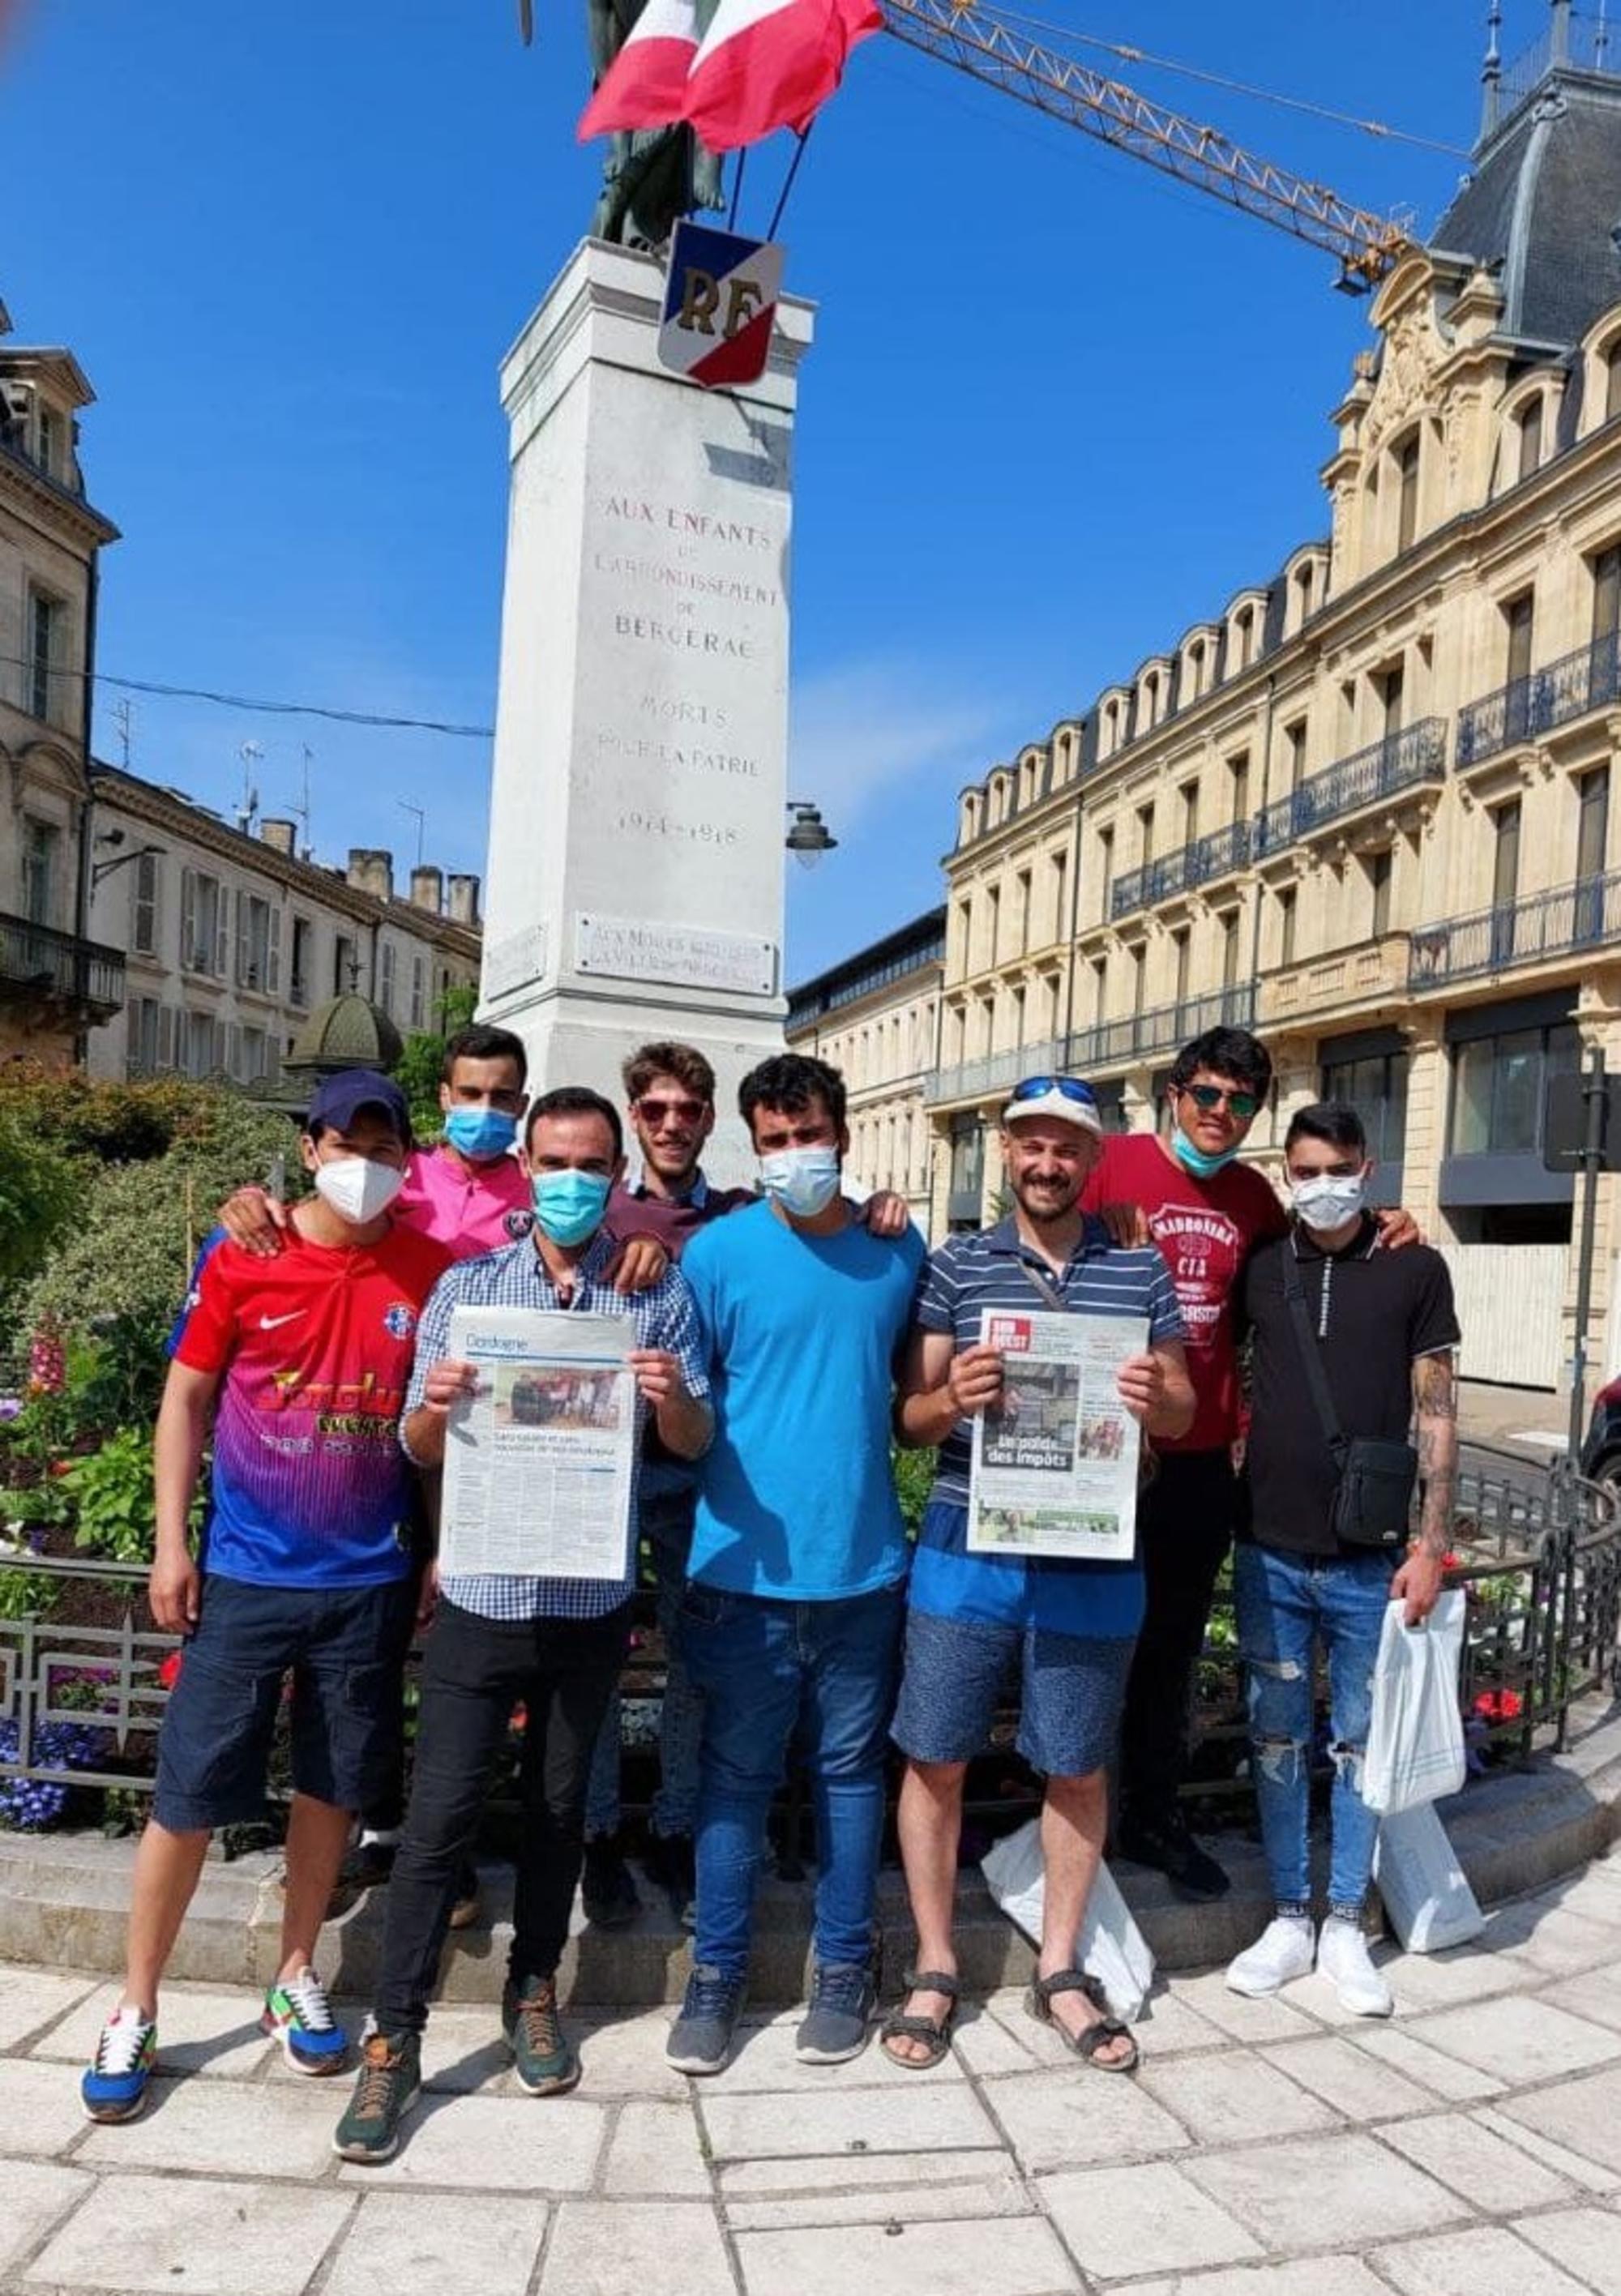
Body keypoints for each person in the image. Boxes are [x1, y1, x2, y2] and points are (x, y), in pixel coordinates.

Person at [332, 1087, 712, 2165]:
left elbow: (690, 1438)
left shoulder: (652, 1294)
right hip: (485, 1598)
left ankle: (533, 1985)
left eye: (592, 1163)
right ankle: (392, 2040)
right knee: (441, 1816)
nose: (572, 1179)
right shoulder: (469, 1289)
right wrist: (435, 1407)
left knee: (557, 1813)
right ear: (530, 1166)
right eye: (555, 1160)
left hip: (588, 1601)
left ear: (615, 1170)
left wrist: (670, 1393)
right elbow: (416, 1444)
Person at [215, 1022, 662, 1921]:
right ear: (442, 1100)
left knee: (490, 1658)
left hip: (502, 1466)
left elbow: (610, 1262)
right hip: (389, 1444)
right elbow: (325, 1212)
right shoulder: (397, 1176)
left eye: (505, 1097)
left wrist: (642, 1242)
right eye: (470, 1094)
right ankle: (372, 1830)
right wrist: (246, 1204)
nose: (487, 1112)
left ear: (524, 1106)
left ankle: (494, 1843)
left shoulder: (539, 1191)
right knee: (371, 1662)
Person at [79, 1072, 451, 2125]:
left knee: (331, 1790)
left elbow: (431, 1426)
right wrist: (168, 1544)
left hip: (369, 1578)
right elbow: (185, 1399)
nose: (364, 1155)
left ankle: (295, 1974)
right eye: (347, 1137)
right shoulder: (247, 1249)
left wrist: (435, 1544)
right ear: (310, 1147)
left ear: (405, 1154)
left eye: (384, 1137)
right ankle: (136, 2003)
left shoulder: (428, 1266)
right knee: (188, 1797)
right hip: (247, 1575)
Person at [884, 1075, 1193, 2073]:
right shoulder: (956, 1265)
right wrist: (952, 1397)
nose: (1046, 1163)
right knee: (933, 1753)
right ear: (1004, 1152)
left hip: (1091, 1546)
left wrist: (1158, 1399)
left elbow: (1182, 1411)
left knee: (1075, 1760)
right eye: (1030, 1145)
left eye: (1065, 1147)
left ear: (1089, 1159)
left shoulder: (1139, 1273)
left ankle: (1059, 1967)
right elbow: (911, 1414)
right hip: (968, 1540)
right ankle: (934, 1964)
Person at [583, 1040, 913, 1930]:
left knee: (700, 1677)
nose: (671, 1125)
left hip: (710, 1486)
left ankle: (680, 1828)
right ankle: (598, 1837)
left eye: (688, 1110)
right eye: (653, 1111)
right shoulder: (599, 1207)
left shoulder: (733, 1216)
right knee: (594, 1658)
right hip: (613, 1468)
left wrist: (880, 1207)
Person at [665, 1053, 926, 2075]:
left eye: (806, 1136)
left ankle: (843, 1966)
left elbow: (913, 1404)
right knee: (734, 1783)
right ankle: (715, 1977)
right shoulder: (716, 1256)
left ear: (843, 1136)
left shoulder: (894, 1253)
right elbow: (687, 1411)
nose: (791, 1156)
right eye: (771, 1142)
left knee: (850, 1778)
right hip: (740, 1571)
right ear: (752, 1147)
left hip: (862, 1568)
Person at [1225, 1102, 1459, 2016]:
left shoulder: (1414, 1265)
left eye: (1336, 1167)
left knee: (1361, 1742)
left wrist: (1431, 1542)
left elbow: (1436, 1408)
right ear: (1285, 1173)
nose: (1320, 1185)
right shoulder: (1263, 1267)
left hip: (1367, 1559)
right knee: (1276, 1737)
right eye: (1303, 1169)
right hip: (1266, 1547)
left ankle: (1342, 1921)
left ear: (1365, 1167)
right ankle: (1288, 1912)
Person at [1083, 1028, 1290, 1901]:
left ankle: (1154, 1816)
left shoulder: (1254, 1199)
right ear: (1173, 1093)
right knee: (1084, 1639)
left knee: (1167, 1647)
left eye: (1239, 1102)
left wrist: (1385, 1224)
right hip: (1099, 1449)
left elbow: (1285, 1292)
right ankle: (1068, 1817)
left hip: (1197, 1458)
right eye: (1206, 1095)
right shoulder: (1109, 1165)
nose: (1220, 1114)